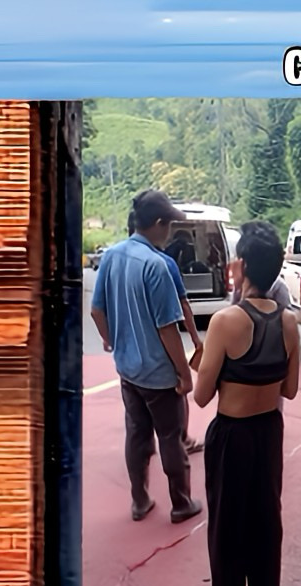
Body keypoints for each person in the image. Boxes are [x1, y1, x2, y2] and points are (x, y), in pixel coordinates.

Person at [193, 220, 300, 586]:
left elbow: (202, 396)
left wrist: (214, 367)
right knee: (265, 519)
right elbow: (288, 390)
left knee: (226, 528)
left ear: (241, 265)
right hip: (269, 431)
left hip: (231, 435)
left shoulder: (225, 321)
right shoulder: (288, 322)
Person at [91, 190, 202, 524]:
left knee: (137, 434)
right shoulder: (156, 265)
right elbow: (168, 328)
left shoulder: (112, 255)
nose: (170, 232)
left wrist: (110, 340)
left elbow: (97, 310)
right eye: (168, 224)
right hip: (157, 374)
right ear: (157, 224)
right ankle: (181, 503)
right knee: (170, 437)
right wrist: (184, 373)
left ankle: (140, 501)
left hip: (128, 371)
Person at [128, 211, 206, 454]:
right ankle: (182, 439)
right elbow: (180, 309)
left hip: (129, 355)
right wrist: (195, 339)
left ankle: (141, 474)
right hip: (159, 353)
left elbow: (98, 311)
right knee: (175, 398)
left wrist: (110, 339)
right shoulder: (164, 264)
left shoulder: (119, 259)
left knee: (136, 413)